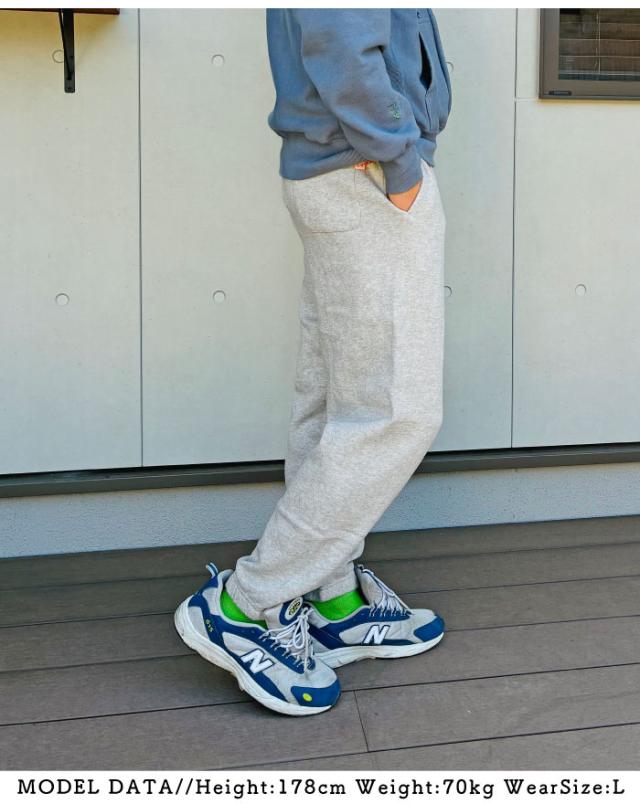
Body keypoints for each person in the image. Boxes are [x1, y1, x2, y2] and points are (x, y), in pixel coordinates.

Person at [174, 8, 452, 716]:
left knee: (335, 400)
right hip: (365, 170)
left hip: (345, 168)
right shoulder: (382, 161)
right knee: (395, 412)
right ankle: (243, 603)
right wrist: (400, 159)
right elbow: (341, 42)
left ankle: (331, 596)